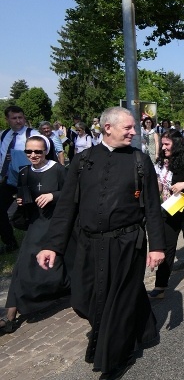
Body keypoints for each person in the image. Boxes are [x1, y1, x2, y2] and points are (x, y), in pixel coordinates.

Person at [36, 107, 165, 379]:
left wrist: (157, 246)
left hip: (128, 243)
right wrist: (52, 245)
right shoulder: (82, 161)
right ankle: (143, 328)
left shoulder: (139, 160)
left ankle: (116, 357)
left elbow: (153, 207)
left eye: (134, 128)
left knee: (117, 301)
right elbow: (66, 209)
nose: (134, 132)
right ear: (108, 128)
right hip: (88, 244)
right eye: (128, 128)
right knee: (84, 300)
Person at [0, 136, 68, 335]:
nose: (33, 155)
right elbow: (24, 196)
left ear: (45, 151)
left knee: (64, 265)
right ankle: (10, 316)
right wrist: (22, 201)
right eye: (29, 152)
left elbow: (73, 193)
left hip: (56, 223)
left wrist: (53, 195)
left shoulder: (58, 170)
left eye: (38, 151)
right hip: (36, 223)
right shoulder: (24, 172)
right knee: (21, 265)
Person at [148, 129, 184, 298]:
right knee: (167, 246)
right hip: (169, 208)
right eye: (163, 144)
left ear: (177, 144)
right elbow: (160, 184)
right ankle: (160, 285)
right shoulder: (161, 162)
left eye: (167, 144)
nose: (164, 147)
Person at [0, 106, 41, 255]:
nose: (18, 121)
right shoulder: (4, 135)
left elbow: (44, 153)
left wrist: (21, 155)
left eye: (20, 117)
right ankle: (10, 242)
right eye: (14, 118)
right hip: (9, 180)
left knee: (32, 211)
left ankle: (37, 244)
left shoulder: (32, 134)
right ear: (7, 120)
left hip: (28, 179)